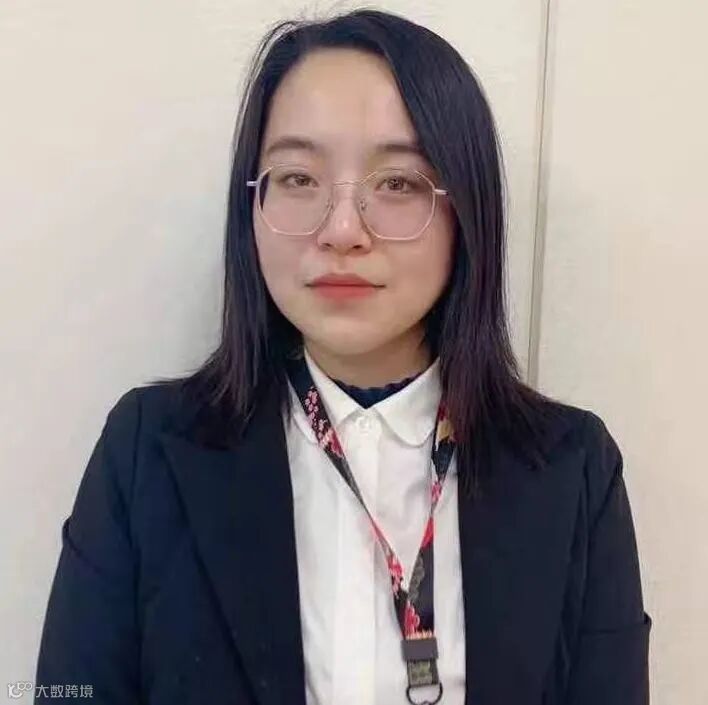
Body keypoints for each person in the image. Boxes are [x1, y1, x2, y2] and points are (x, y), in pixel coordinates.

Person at [33, 8, 651, 705]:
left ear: (467, 212)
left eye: (399, 183)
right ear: (251, 204)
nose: (343, 229)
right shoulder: (148, 453)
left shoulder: (572, 472)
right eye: (299, 178)